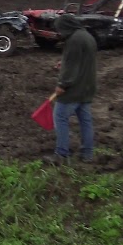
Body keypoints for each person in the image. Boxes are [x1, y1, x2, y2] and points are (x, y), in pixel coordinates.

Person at [49, 14, 97, 164]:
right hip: (87, 86)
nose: (60, 34)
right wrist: (63, 62)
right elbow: (79, 60)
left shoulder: (74, 40)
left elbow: (72, 67)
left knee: (60, 117)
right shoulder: (87, 36)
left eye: (60, 30)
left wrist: (62, 85)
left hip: (73, 89)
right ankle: (87, 153)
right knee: (85, 121)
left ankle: (62, 154)